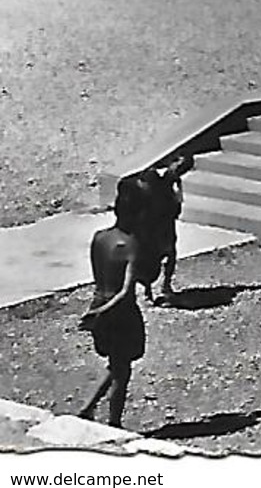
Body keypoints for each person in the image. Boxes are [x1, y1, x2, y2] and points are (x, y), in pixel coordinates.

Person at [79, 177, 146, 428]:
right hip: (120, 313)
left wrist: (96, 313)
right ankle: (114, 423)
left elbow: (99, 276)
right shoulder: (132, 246)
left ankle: (87, 407)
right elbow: (126, 292)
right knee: (123, 371)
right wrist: (105, 313)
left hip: (97, 302)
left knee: (116, 364)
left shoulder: (99, 238)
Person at [133, 156, 193, 304]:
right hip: (153, 221)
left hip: (164, 221)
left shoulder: (169, 179)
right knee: (152, 255)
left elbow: (178, 205)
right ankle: (149, 289)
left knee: (169, 253)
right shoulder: (152, 175)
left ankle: (165, 286)